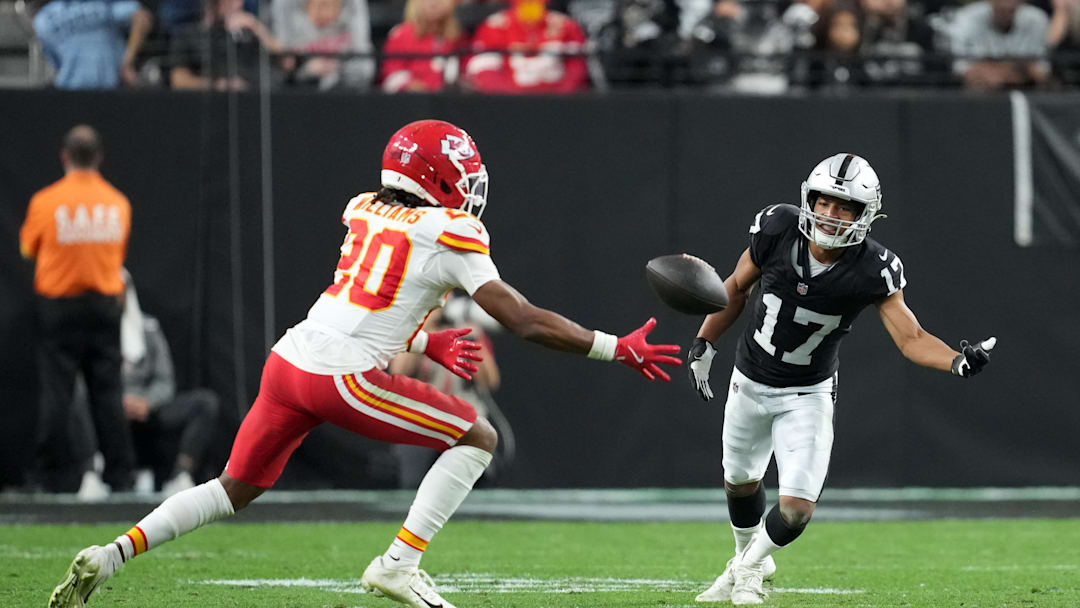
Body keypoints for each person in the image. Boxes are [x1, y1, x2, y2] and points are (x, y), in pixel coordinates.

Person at [49, 119, 681, 608]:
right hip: (340, 376)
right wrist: (613, 346)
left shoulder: (363, 207)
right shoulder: (452, 232)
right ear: (441, 178)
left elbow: (371, 300)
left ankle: (109, 556)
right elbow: (521, 318)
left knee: (231, 489)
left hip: (290, 359)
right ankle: (399, 564)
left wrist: (423, 343)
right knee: (478, 436)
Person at [687, 153, 995, 605]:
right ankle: (748, 555)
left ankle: (746, 569)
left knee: (795, 509)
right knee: (739, 481)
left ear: (864, 215)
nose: (831, 214)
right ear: (808, 199)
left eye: (844, 206)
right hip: (748, 379)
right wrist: (705, 342)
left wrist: (955, 361)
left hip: (806, 394)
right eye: (824, 202)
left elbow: (911, 338)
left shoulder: (874, 268)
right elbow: (734, 287)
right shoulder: (776, 229)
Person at [19, 125, 137, 494]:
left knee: (58, 393)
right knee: (108, 394)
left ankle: (48, 477)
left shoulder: (45, 201)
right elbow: (116, 255)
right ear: (99, 157)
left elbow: (27, 250)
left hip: (59, 307)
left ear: (64, 156)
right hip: (103, 307)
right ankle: (121, 477)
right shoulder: (118, 203)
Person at [464, 0, 589, 93]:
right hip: (507, 105)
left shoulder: (566, 25)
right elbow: (483, 71)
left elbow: (578, 67)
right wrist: (511, 97)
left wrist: (559, 94)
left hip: (559, 105)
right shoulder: (495, 26)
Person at [32, 0, 153, 89]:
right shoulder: (45, 17)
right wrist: (126, 64)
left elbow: (141, 18)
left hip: (108, 86)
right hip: (70, 87)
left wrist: (127, 63)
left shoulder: (106, 4)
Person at [169, 0, 286, 91]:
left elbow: (287, 62)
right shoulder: (188, 35)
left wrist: (256, 27)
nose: (237, 5)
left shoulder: (250, 34)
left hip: (254, 102)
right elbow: (178, 80)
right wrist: (218, 84)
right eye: (229, 1)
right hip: (212, 105)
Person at [272, 0, 375, 90]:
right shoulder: (284, 3)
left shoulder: (354, 3)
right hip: (296, 89)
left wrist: (337, 68)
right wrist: (304, 69)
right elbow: (282, 58)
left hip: (345, 89)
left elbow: (364, 65)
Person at [950, 0, 1050, 90]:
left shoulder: (1036, 19)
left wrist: (990, 68)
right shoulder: (967, 17)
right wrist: (1018, 70)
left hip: (1028, 92)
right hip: (980, 94)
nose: (1005, 5)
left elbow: (1040, 73)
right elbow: (963, 70)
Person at [380, 0, 467, 93]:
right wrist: (411, 85)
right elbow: (390, 75)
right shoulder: (402, 34)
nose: (434, 3)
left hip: (448, 99)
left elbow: (466, 70)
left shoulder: (457, 36)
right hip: (413, 100)